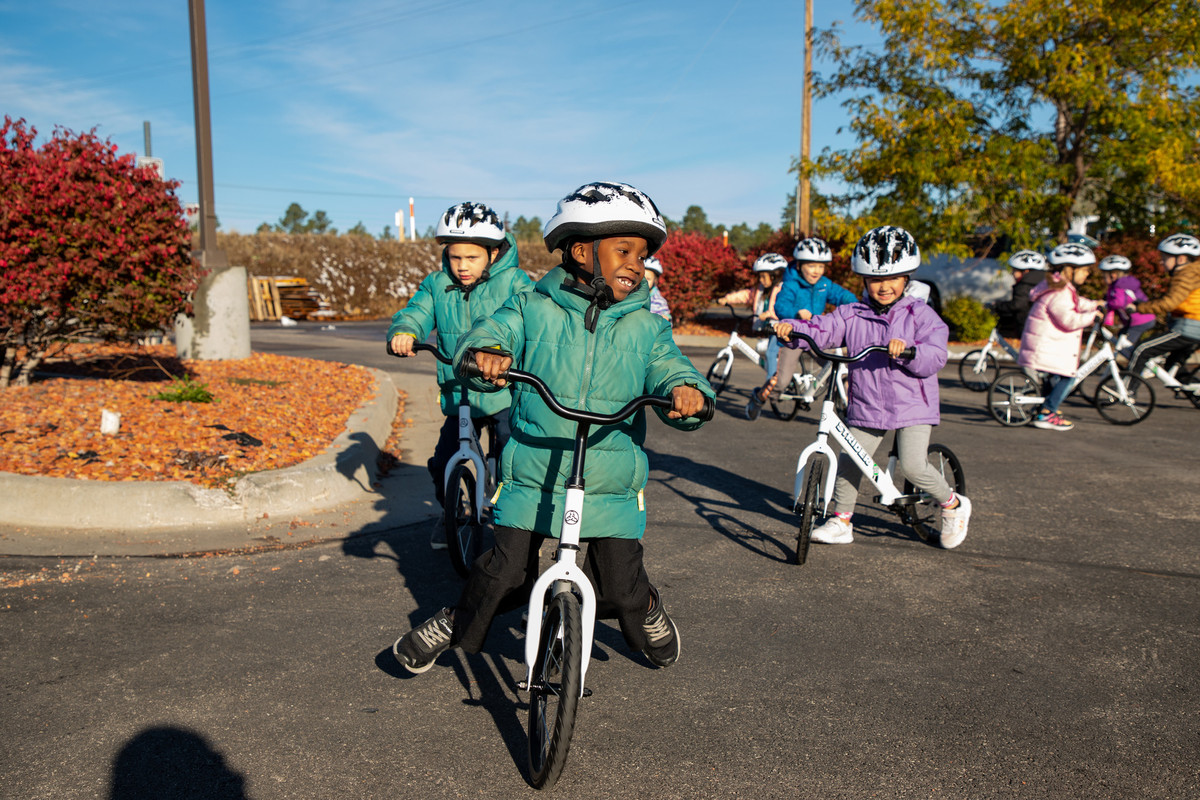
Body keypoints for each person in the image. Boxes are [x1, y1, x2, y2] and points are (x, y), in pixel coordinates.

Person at [391, 181, 713, 674]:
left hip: (610, 475)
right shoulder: (531, 305)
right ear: (582, 250)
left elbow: (671, 366)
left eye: (642, 255)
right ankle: (455, 620)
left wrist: (687, 392)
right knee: (503, 573)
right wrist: (487, 352)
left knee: (622, 581)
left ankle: (646, 608)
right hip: (535, 469)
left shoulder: (648, 326)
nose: (636, 264)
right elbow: (493, 330)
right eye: (624, 251)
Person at [772, 226, 972, 549]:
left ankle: (952, 504)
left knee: (913, 464)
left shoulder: (920, 314)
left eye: (892, 279)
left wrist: (909, 351)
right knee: (851, 457)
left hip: (912, 405)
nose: (884, 287)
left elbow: (936, 352)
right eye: (876, 280)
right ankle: (841, 520)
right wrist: (790, 328)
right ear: (863, 281)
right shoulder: (852, 314)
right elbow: (820, 329)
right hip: (867, 403)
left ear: (907, 278)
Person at [387, 202, 534, 549]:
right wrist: (406, 330)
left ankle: (516, 522)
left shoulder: (514, 282)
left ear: (494, 252)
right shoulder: (438, 284)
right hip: (460, 392)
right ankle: (453, 510)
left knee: (515, 455)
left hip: (503, 390)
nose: (462, 267)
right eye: (455, 258)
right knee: (442, 462)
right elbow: (417, 311)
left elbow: (531, 318)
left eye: (471, 258)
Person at [747, 236, 857, 420]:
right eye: (811, 266)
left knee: (839, 366)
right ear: (799, 265)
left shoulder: (824, 284)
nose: (817, 271)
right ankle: (758, 397)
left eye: (821, 266)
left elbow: (843, 296)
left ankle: (844, 402)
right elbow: (780, 307)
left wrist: (858, 308)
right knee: (780, 382)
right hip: (794, 337)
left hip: (818, 335)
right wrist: (797, 313)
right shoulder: (791, 285)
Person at [1016, 243, 1103, 431]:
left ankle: (1043, 407)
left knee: (1054, 378)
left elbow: (1075, 303)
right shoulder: (1060, 292)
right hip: (1047, 347)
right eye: (1084, 270)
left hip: (1046, 346)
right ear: (1068, 270)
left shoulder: (1059, 289)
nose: (1087, 274)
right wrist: (1092, 317)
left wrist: (1094, 304)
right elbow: (1069, 320)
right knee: (1068, 377)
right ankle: (1047, 412)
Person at [1125, 233, 1200, 379]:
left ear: (1181, 259)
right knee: (1173, 368)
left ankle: (1127, 392)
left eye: (1165, 258)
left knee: (1142, 349)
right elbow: (1175, 299)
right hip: (1192, 327)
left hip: (1188, 327)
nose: (1162, 262)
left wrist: (1139, 308)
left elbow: (1169, 303)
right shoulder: (1192, 273)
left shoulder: (1186, 275)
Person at [1098, 254, 1156, 359]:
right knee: (1122, 338)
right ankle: (1138, 362)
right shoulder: (1119, 285)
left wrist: (1105, 304)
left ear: (1113, 275)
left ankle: (1143, 364)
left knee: (1123, 347)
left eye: (1104, 275)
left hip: (1140, 320)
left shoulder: (1120, 286)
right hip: (1138, 319)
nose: (1103, 278)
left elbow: (1118, 302)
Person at [991, 250, 1047, 338]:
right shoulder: (1044, 282)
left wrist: (997, 305)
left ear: (1026, 271)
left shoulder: (1025, 284)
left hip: (1027, 325)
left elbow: (1017, 305)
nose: (1012, 273)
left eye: (1014, 270)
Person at [643, 256, 672, 322]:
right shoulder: (629, 295)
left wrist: (665, 319)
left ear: (655, 281)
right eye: (642, 277)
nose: (644, 281)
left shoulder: (659, 301)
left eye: (648, 279)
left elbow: (667, 318)